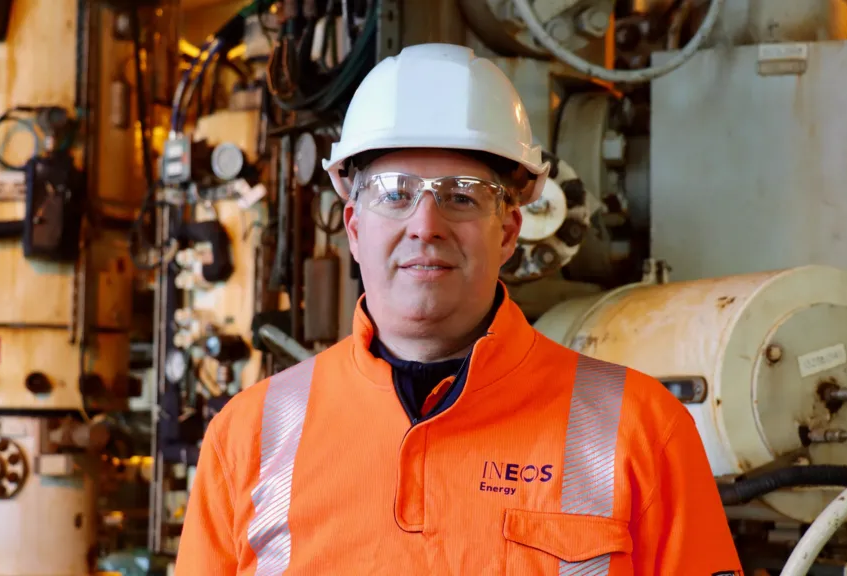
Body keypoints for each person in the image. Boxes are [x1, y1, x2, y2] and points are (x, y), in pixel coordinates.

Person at [175, 43, 743, 575]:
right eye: (395, 193)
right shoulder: (248, 439)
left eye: (461, 195)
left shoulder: (640, 432)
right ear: (353, 227)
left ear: (509, 231)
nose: (425, 226)